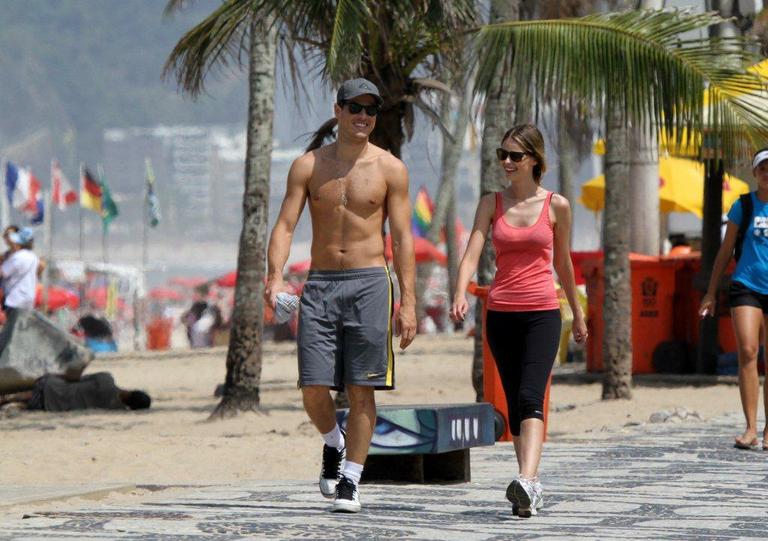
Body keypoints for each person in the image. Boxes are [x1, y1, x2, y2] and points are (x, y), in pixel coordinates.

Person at [265, 78, 416, 513]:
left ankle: (351, 479)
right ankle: (334, 440)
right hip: (322, 284)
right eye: (355, 107)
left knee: (361, 389)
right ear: (338, 110)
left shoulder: (390, 169)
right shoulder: (308, 166)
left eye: (371, 109)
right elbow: (285, 226)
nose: (363, 116)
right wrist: (275, 278)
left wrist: (408, 303)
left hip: (371, 282)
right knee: (313, 386)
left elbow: (404, 238)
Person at [450, 124, 587, 518]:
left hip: (542, 312)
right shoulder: (491, 204)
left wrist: (577, 314)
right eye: (502, 155)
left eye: (515, 156)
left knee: (531, 396)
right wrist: (461, 291)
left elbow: (563, 262)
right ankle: (528, 487)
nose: (507, 162)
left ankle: (527, 480)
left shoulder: (556, 205)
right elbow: (472, 251)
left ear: (535, 160)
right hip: (502, 314)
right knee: (514, 405)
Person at [699, 148, 768, 451]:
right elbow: (725, 251)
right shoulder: (744, 205)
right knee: (748, 351)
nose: (767, 173)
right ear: (755, 173)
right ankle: (751, 428)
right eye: (762, 168)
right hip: (746, 285)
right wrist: (711, 292)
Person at [0, 372, 150, 412]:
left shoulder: (106, 379)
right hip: (53, 406)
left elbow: (77, 378)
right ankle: (12, 402)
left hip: (54, 387)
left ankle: (7, 399)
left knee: (27, 393)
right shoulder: (115, 408)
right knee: (25, 402)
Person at [0, 227, 40, 332]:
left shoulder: (18, 257)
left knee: (9, 329)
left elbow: (3, 272)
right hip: (28, 298)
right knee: (22, 329)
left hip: (14, 298)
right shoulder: (33, 257)